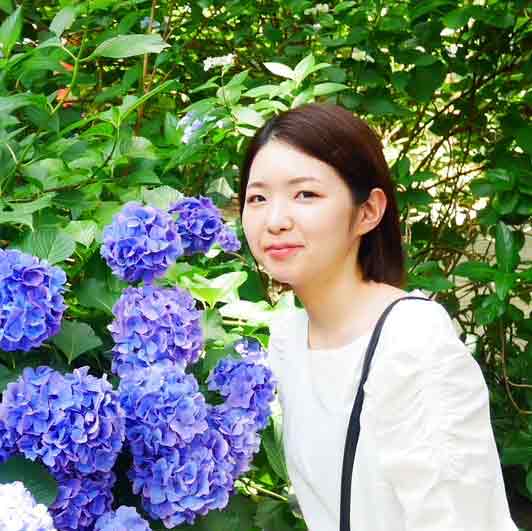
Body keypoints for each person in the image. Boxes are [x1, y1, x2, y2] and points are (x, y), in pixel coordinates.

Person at [238, 103, 517, 531]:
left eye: (305, 194)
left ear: (368, 211)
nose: (274, 220)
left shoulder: (412, 343)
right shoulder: (289, 338)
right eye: (258, 198)